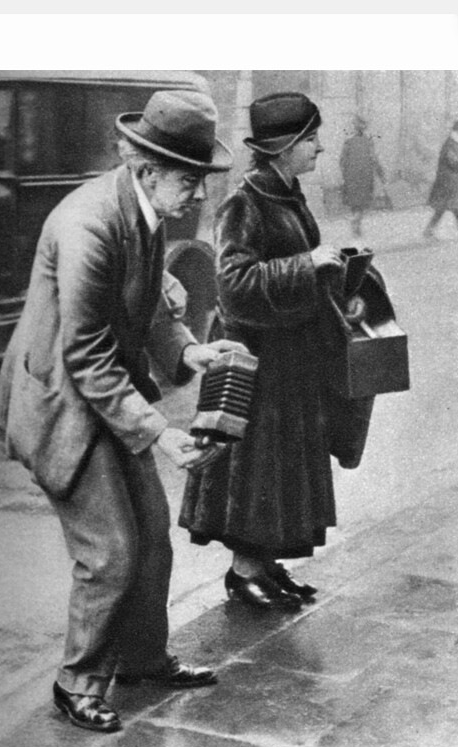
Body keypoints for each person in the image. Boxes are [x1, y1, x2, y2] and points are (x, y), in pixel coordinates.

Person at [0, 89, 245, 733]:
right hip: (62, 406)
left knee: (151, 538)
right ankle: (75, 682)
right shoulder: (90, 223)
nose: (200, 195)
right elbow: (86, 350)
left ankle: (141, 659)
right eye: (191, 181)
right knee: (110, 553)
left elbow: (153, 303)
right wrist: (159, 430)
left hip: (105, 402)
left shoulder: (147, 211)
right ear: (147, 169)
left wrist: (188, 352)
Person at [180, 91, 373, 611]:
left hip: (292, 355)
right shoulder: (244, 203)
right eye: (310, 138)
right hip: (258, 362)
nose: (318, 147)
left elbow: (291, 270)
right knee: (258, 468)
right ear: (284, 146)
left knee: (286, 465)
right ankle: (244, 573)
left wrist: (335, 271)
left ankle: (267, 566)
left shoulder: (286, 195)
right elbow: (233, 285)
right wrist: (308, 264)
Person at [339, 115, 386, 237]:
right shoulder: (368, 142)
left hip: (351, 175)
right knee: (362, 202)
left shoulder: (348, 142)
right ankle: (357, 223)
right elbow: (374, 159)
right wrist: (381, 173)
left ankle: (356, 225)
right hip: (365, 175)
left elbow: (342, 160)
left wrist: (345, 174)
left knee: (354, 202)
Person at [423, 120, 458, 241]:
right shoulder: (451, 144)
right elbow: (453, 161)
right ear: (457, 131)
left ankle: (428, 231)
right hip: (450, 183)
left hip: (451, 182)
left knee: (442, 209)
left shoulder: (455, 143)